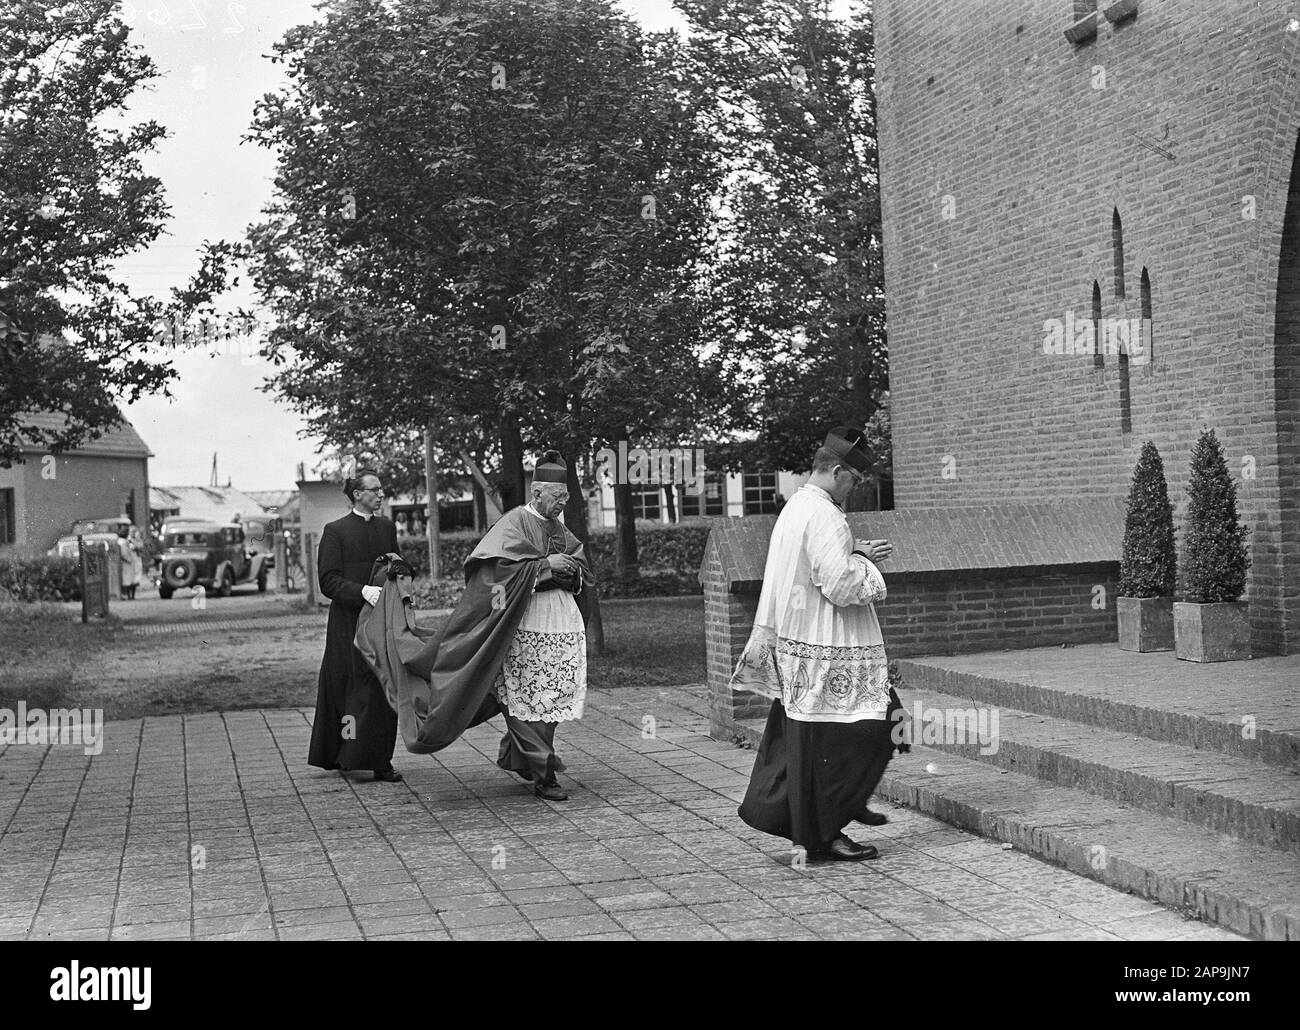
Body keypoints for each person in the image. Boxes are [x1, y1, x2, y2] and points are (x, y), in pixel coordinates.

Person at [356, 450, 591, 801]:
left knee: (549, 699)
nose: (562, 505)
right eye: (557, 498)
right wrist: (543, 567)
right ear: (537, 493)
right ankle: (544, 771)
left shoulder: (558, 526)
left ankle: (522, 757)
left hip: (558, 624)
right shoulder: (513, 523)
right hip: (519, 625)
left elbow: (580, 563)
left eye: (566, 498)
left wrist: (571, 570)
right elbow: (491, 578)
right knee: (522, 695)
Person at [730, 426, 896, 861]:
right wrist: (864, 562)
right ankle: (833, 819)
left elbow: (812, 565)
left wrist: (850, 548)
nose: (854, 490)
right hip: (830, 649)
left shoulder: (797, 506)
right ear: (838, 471)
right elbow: (840, 585)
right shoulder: (825, 513)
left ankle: (823, 821)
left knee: (809, 743)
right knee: (878, 728)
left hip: (800, 647)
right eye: (854, 480)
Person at [308, 470, 404, 782]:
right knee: (347, 687)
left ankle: (381, 761)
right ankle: (345, 755)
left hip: (379, 621)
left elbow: (395, 565)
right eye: (374, 490)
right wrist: (362, 591)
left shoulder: (386, 528)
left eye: (381, 489)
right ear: (357, 495)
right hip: (347, 623)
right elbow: (328, 581)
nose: (381, 495)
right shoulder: (335, 531)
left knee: (380, 687)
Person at [116, 525, 141, 600]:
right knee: (128, 580)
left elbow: (139, 547)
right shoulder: (123, 542)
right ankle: (128, 595)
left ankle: (130, 596)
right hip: (127, 563)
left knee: (131, 579)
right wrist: (129, 560)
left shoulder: (126, 541)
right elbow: (124, 553)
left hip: (130, 562)